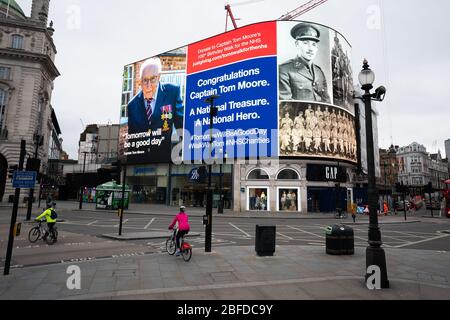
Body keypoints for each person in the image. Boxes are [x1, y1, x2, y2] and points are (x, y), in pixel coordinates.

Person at [127, 57, 184, 162]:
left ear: (159, 77)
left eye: (152, 79)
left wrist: (182, 157)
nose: (148, 85)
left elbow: (182, 128)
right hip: (139, 164)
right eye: (145, 80)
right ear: (140, 81)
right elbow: (132, 142)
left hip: (164, 162)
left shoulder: (172, 93)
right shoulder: (132, 105)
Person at [279, 23, 331, 103]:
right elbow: (286, 104)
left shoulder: (319, 72)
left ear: (316, 48)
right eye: (305, 43)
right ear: (297, 44)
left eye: (314, 44)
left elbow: (327, 101)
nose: (311, 49)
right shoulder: (284, 70)